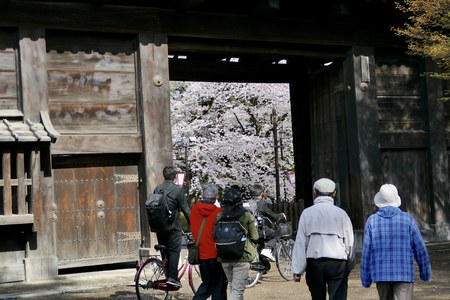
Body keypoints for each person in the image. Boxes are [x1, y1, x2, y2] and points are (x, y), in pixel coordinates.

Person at [360, 183, 432, 300]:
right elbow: (420, 249)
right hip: (403, 273)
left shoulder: (371, 221)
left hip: (381, 274)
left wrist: (365, 278)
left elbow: (366, 252)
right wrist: (425, 273)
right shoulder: (407, 219)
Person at [292, 177, 355, 300]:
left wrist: (297, 270)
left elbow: (301, 242)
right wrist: (350, 264)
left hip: (314, 263)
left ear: (315, 192)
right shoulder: (341, 214)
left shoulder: (307, 213)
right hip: (337, 262)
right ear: (334, 193)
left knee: (317, 297)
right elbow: (349, 242)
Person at [217, 187, 259, 300]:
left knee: (234, 288)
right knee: (237, 291)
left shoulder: (219, 216)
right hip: (241, 256)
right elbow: (255, 236)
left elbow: (214, 234)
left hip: (224, 256)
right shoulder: (245, 215)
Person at [153, 165, 191, 288]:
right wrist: (193, 224)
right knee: (174, 251)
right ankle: (172, 278)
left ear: (164, 176)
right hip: (173, 227)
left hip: (159, 227)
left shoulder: (157, 189)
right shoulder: (178, 190)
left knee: (164, 250)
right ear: (175, 177)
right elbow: (186, 210)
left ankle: (168, 274)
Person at [190, 183, 228, 300]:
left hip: (201, 253)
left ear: (202, 195)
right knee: (219, 285)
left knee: (207, 284)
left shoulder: (194, 210)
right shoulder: (219, 212)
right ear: (216, 197)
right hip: (215, 253)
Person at [245, 184, 286, 261]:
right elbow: (271, 215)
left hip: (245, 230)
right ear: (261, 194)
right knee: (275, 234)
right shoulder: (260, 203)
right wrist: (280, 216)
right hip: (256, 229)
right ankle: (267, 250)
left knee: (260, 242)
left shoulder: (246, 203)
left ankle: (262, 266)